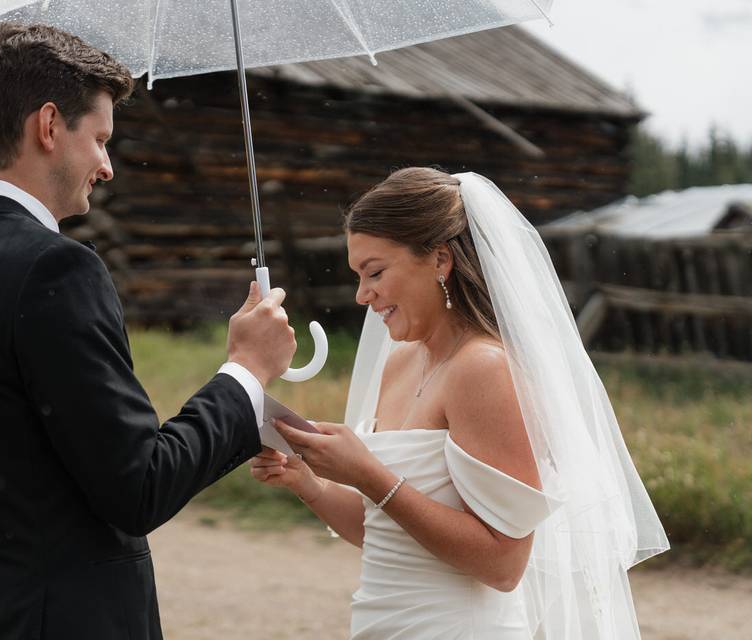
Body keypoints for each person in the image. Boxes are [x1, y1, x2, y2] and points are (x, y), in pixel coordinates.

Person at [0, 23, 297, 640]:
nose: (106, 166)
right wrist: (246, 373)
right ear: (50, 126)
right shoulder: (57, 269)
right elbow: (140, 487)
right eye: (101, 139)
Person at [252, 168, 669, 639]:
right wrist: (309, 482)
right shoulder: (399, 365)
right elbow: (388, 537)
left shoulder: (485, 369)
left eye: (375, 272)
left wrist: (368, 473)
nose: (362, 294)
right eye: (358, 276)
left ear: (440, 260)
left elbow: (503, 563)